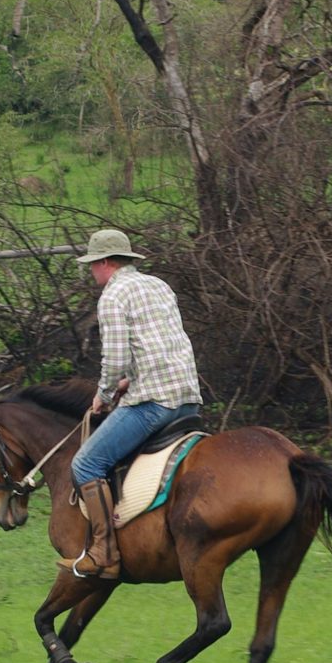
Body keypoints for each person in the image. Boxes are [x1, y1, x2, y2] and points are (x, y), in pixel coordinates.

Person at [65, 228, 203, 580]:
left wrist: (105, 394)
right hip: (188, 400)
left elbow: (114, 359)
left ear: (107, 262)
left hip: (153, 404)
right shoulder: (159, 286)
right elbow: (163, 347)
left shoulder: (113, 296)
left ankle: (103, 553)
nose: (92, 272)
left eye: (93, 264)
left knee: (86, 463)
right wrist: (129, 380)